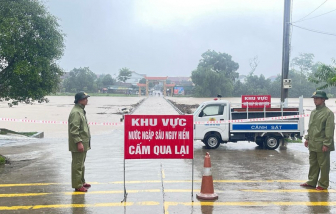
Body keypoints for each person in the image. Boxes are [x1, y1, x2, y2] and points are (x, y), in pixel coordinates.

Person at [300, 90, 335, 190]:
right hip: (313, 142)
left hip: (322, 143)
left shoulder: (328, 113)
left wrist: (327, 144)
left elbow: (329, 129)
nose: (314, 100)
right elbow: (310, 127)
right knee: (313, 163)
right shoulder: (314, 112)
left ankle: (323, 184)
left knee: (323, 165)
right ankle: (312, 182)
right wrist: (307, 138)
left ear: (323, 99)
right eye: (314, 98)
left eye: (317, 98)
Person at [68, 91, 91, 192]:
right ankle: (77, 185)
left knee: (81, 164)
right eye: (85, 98)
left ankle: (81, 181)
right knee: (77, 165)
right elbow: (74, 130)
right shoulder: (76, 112)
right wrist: (79, 142)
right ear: (80, 100)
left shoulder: (80, 110)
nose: (87, 100)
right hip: (79, 143)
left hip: (83, 142)